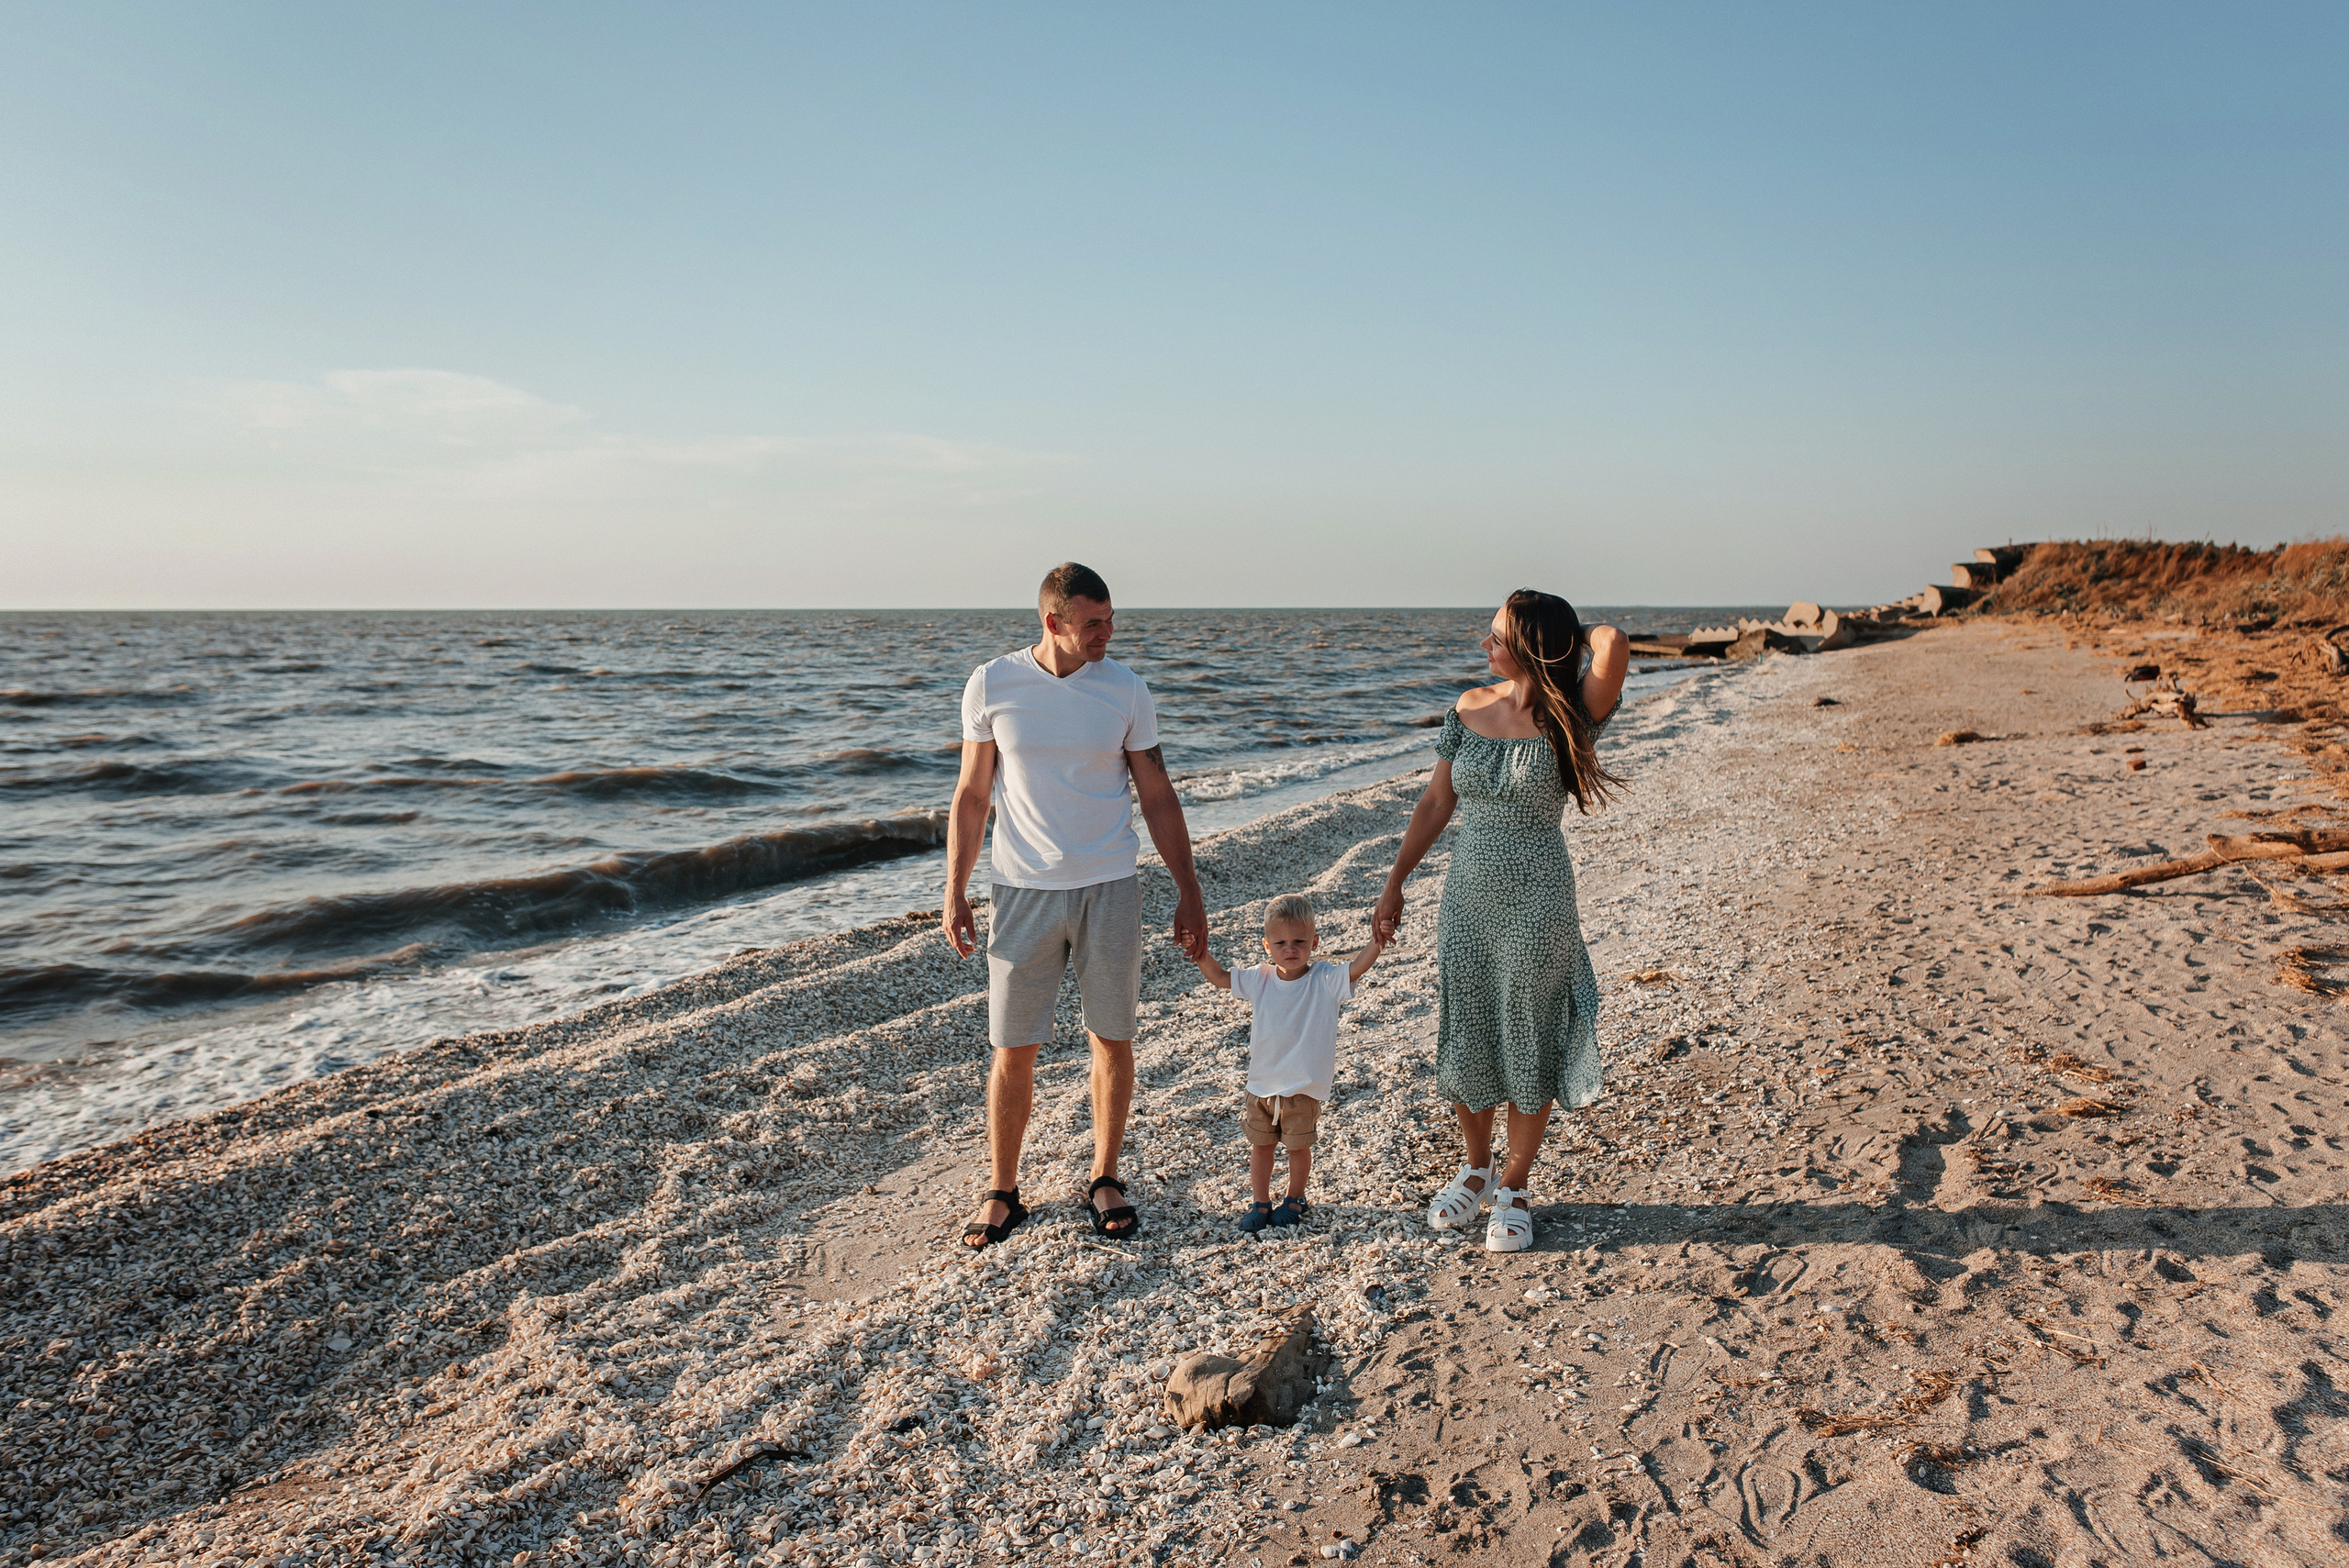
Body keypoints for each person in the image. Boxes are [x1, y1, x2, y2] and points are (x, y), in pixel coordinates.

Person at [944, 562, 1208, 1248]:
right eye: (1094, 622)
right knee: (1012, 1046)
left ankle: (1104, 1176)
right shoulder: (992, 683)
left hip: (1110, 885)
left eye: (1112, 618)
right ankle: (1004, 1189)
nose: (1108, 633)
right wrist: (955, 889)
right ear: (1053, 621)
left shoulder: (1125, 689)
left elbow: (1157, 795)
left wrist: (1189, 889)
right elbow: (973, 796)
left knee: (1112, 1037)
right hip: (1021, 890)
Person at [1371, 591, 1630, 1253]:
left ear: (1534, 643)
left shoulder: (1574, 710)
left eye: (1497, 633)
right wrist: (1395, 880)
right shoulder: (1467, 706)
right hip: (1468, 894)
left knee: (1529, 1032)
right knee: (1470, 1026)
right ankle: (1477, 1164)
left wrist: (1564, 636)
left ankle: (1514, 1186)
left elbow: (1614, 643)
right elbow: (1436, 800)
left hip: (1540, 894)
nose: (1483, 642)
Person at [1190, 894, 1386, 1232]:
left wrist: (1377, 941)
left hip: (1303, 1089)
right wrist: (1200, 955)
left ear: (1315, 942)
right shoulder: (1260, 978)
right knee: (1261, 1146)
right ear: (1267, 945)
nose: (1290, 949)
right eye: (1280, 942)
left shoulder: (1325, 979)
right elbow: (1220, 977)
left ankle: (1295, 1198)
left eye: (1299, 941)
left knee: (1298, 1148)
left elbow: (1357, 966)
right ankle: (1260, 1202)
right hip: (1261, 1087)